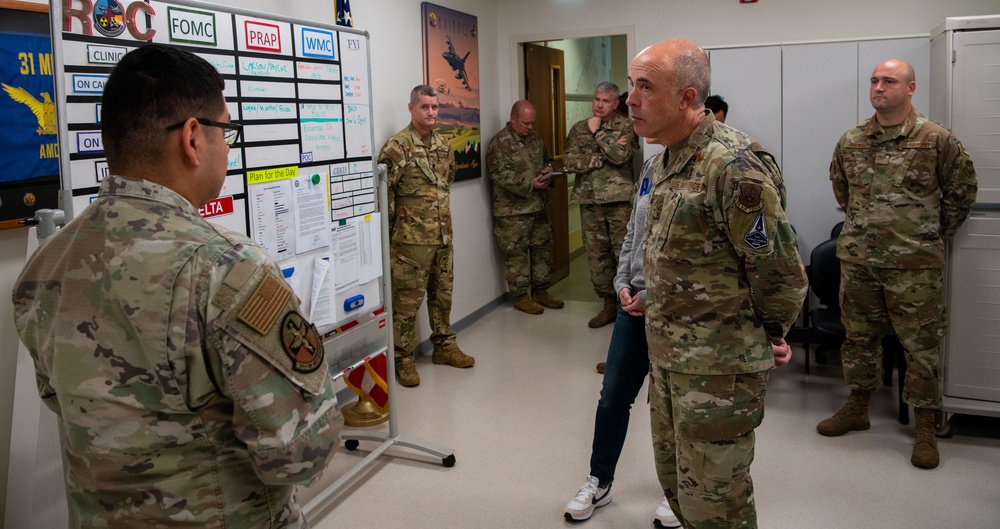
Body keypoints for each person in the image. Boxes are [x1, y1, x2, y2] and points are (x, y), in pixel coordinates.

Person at [10, 44, 343, 528]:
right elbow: (301, 451)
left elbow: (61, 401)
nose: (228, 146)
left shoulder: (43, 268)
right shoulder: (227, 269)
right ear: (192, 137)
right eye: (226, 130)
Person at [628, 39, 807, 528]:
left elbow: (781, 273)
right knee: (680, 492)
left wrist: (769, 333)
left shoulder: (731, 166)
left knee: (717, 507)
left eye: (645, 87)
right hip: (669, 362)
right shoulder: (662, 162)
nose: (631, 99)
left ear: (687, 97)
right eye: (631, 85)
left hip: (719, 372)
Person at [818, 59, 977, 469]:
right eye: (874, 80)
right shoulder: (851, 140)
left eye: (888, 80)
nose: (878, 87)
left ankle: (925, 424)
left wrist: (925, 233)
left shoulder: (936, 139)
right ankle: (857, 406)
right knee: (858, 339)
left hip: (915, 265)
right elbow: (842, 190)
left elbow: (961, 193)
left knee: (920, 347)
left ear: (910, 88)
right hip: (859, 260)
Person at [378, 85, 474, 387]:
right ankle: (403, 359)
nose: (431, 112)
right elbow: (385, 200)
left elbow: (446, 184)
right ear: (411, 108)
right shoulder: (397, 147)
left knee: (442, 296)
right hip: (410, 244)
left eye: (435, 107)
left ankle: (444, 346)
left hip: (443, 237)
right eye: (425, 107)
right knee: (406, 305)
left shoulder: (444, 146)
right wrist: (389, 243)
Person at [564, 81, 640, 329]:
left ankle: (626, 307)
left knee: (623, 256)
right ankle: (608, 305)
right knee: (597, 257)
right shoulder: (578, 129)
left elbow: (621, 156)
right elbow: (569, 163)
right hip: (589, 202)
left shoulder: (627, 126)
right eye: (597, 99)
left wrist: (598, 134)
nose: (599, 104)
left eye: (606, 101)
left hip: (619, 204)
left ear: (616, 103)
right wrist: (600, 156)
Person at [485, 100, 565, 314]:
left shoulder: (535, 138)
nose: (530, 127)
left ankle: (541, 290)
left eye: (532, 123)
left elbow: (547, 158)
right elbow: (499, 174)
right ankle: (521, 296)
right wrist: (530, 184)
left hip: (538, 206)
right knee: (517, 255)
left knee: (543, 249)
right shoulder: (500, 143)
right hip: (513, 212)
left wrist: (549, 168)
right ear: (513, 119)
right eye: (525, 123)